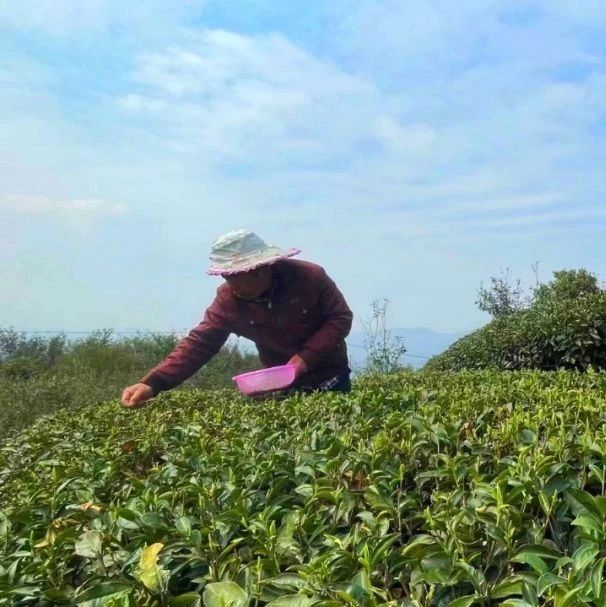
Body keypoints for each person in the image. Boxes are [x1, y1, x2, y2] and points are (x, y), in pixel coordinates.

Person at [121, 229, 353, 407]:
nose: (229, 285)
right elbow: (199, 344)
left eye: (233, 278)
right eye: (225, 277)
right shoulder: (228, 300)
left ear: (259, 270)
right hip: (282, 385)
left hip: (331, 377)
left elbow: (340, 318)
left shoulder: (309, 277)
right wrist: (152, 383)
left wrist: (306, 358)